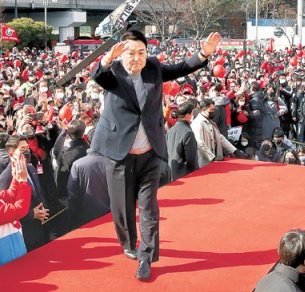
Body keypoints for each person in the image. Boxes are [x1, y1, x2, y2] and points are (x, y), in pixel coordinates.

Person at [91, 29, 221, 280]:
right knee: (122, 208)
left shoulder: (153, 68)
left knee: (149, 207)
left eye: (142, 52)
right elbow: (98, 75)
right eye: (131, 53)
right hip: (120, 153)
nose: (137, 57)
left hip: (150, 152)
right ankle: (129, 243)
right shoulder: (113, 71)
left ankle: (146, 256)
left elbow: (181, 67)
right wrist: (107, 59)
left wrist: (204, 54)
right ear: (121, 53)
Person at [66, 151, 112, 230]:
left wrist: (72, 215)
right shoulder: (112, 162)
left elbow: (72, 193)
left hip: (86, 216)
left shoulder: (78, 164)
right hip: (110, 213)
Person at [191, 98, 239, 168]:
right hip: (204, 162)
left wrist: (235, 150)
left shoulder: (210, 121)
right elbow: (199, 142)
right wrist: (211, 157)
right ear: (204, 109)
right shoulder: (198, 123)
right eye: (211, 110)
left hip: (213, 159)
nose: (214, 112)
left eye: (214, 109)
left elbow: (220, 137)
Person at [166, 102, 198, 181]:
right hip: (185, 175)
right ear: (187, 116)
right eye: (192, 113)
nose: (193, 116)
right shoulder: (188, 132)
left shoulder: (170, 130)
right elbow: (191, 159)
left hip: (171, 172)